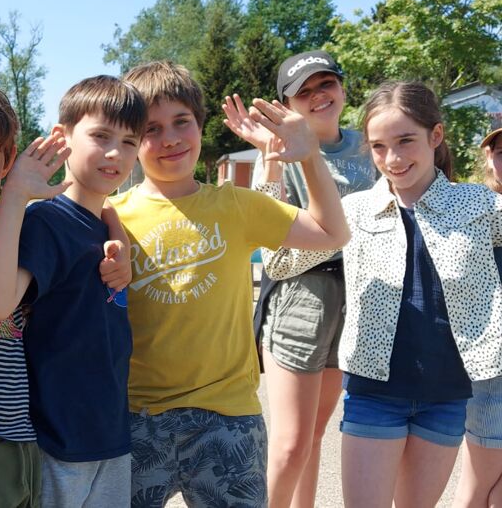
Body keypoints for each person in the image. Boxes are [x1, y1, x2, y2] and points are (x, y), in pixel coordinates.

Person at [111, 60, 349, 508]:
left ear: (200, 124)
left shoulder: (237, 206)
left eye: (182, 122)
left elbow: (333, 233)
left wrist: (310, 157)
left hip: (228, 417)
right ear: (131, 138)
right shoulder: (111, 216)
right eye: (151, 129)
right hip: (137, 418)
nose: (170, 139)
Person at [260, 81, 502, 508]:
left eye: (405, 140)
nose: (393, 159)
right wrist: (272, 166)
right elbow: (279, 262)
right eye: (378, 146)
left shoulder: (478, 205)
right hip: (374, 394)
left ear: (436, 136)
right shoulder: (352, 211)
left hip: (447, 395)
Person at [0, 75, 131, 508]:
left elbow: (91, 203)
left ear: (7, 159)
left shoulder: (7, 218)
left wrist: (117, 233)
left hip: (18, 427)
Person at [224, 50, 377, 508]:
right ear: (288, 106)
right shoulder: (285, 150)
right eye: (304, 92)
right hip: (301, 294)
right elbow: (267, 235)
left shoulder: (370, 144)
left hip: (359, 298)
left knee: (313, 436)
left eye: (325, 84)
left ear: (343, 88)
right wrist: (270, 159)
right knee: (289, 444)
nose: (318, 97)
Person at [453, 126, 502, 508]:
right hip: (493, 369)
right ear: (488, 158)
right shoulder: (477, 210)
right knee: (479, 485)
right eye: (499, 150)